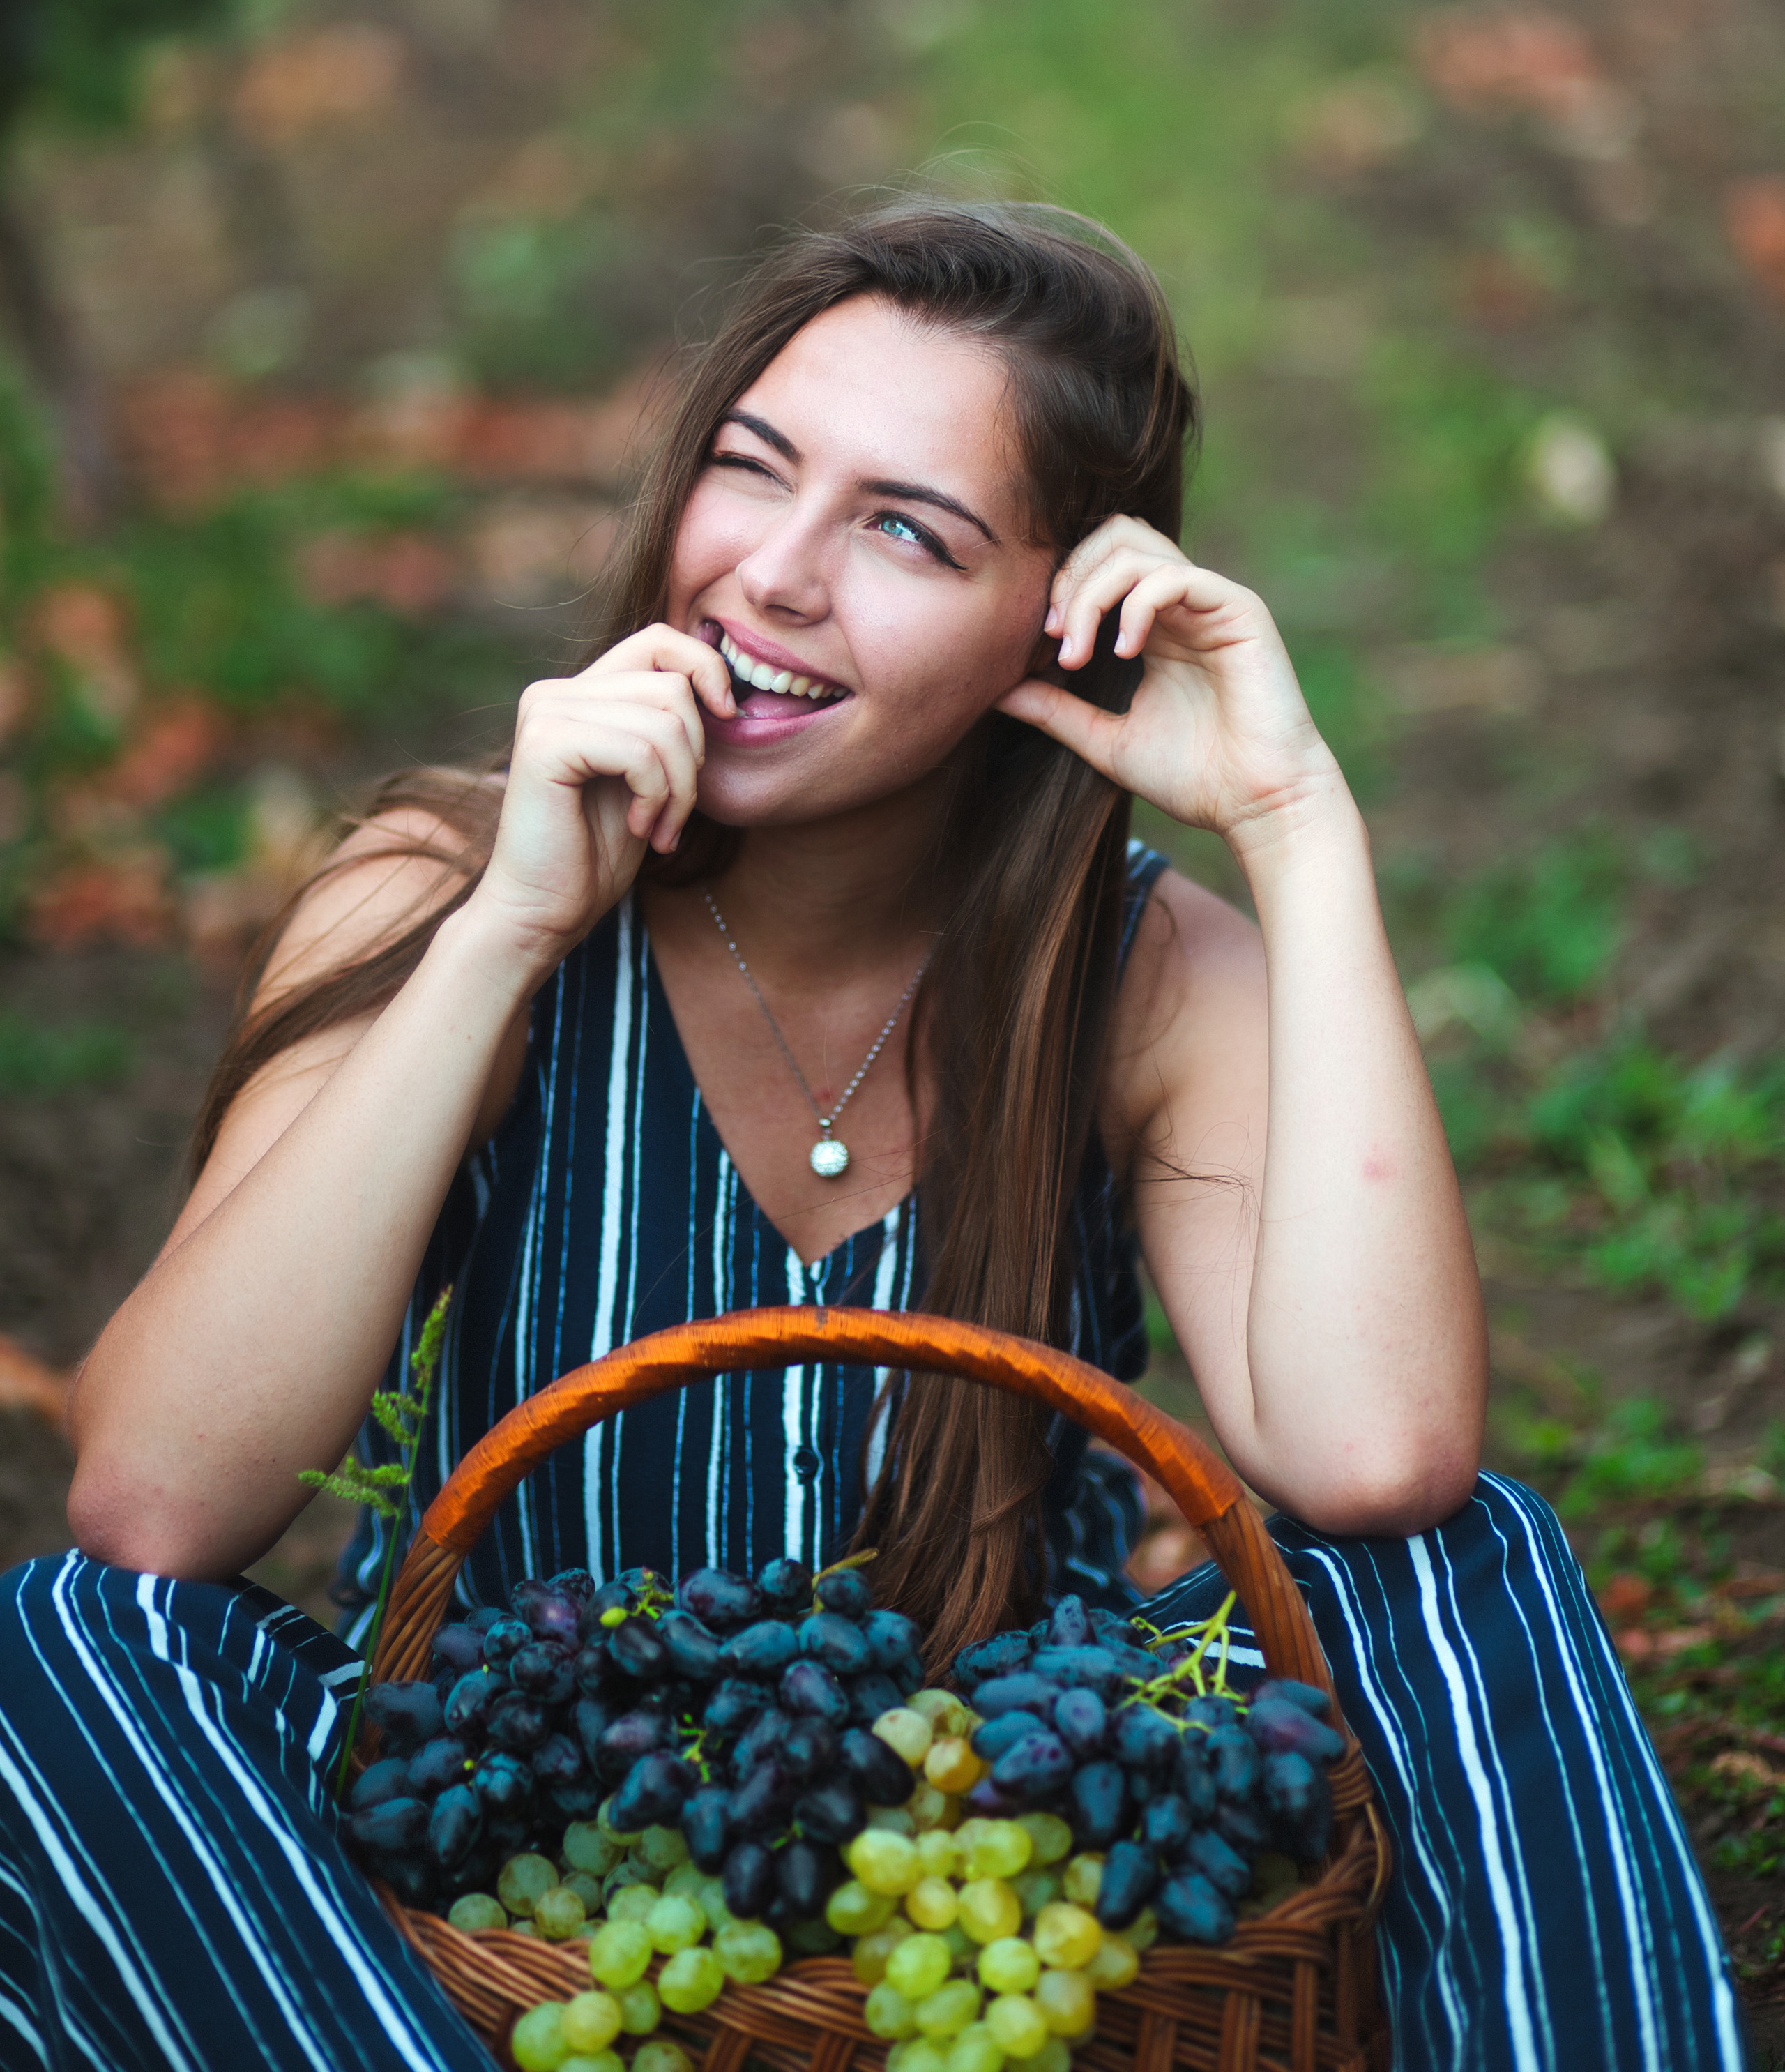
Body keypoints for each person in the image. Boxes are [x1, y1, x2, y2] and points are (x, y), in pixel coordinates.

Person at [0, 204, 1742, 2071]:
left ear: (1059, 621)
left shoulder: (1142, 977)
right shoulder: (446, 888)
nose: (774, 574)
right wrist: (503, 938)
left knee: (1459, 1574)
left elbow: (1380, 1457)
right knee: (74, 1643)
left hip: (985, 1828)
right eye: (752, 473)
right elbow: (153, 1505)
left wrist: (1296, 820)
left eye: (908, 531)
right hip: (504, 1835)